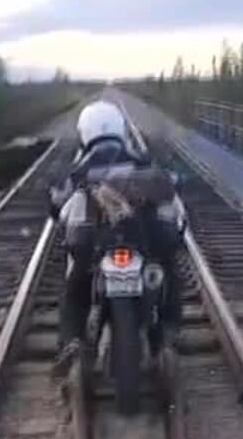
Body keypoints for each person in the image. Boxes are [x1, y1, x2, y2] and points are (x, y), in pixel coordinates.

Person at [51, 100, 186, 370]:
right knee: (169, 272)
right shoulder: (142, 162)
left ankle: (71, 340)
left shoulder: (77, 170)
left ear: (85, 133)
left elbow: (56, 205)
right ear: (119, 130)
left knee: (75, 286)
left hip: (92, 247)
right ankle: (169, 332)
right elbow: (171, 191)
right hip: (143, 245)